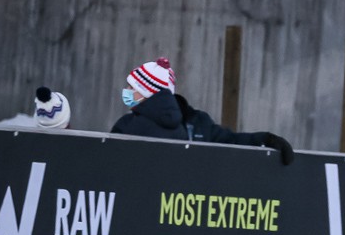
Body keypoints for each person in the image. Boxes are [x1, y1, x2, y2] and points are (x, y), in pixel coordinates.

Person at [110, 57, 294, 164]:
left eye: (132, 87)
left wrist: (264, 140)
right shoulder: (199, 124)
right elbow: (232, 143)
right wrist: (264, 140)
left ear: (147, 93)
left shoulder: (127, 126)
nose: (126, 91)